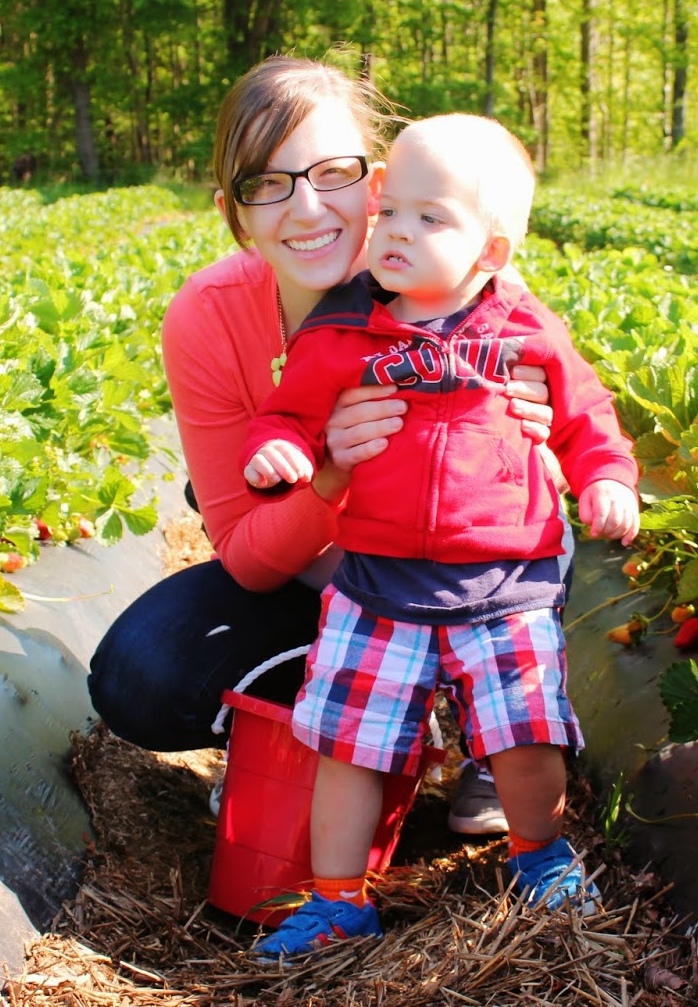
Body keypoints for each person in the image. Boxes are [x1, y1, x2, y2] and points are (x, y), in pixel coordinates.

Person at [85, 58, 557, 832]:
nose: (306, 208)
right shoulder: (209, 317)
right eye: (265, 184)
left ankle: (485, 723)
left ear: (376, 182)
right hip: (324, 583)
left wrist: (536, 428)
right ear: (234, 214)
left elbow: (557, 440)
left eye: (332, 172)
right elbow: (243, 554)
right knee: (143, 674)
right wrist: (330, 474)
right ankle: (341, 724)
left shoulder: (455, 280)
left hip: (466, 580)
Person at [241, 114, 641, 959]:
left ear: (491, 253)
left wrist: (606, 478)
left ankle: (539, 857)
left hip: (507, 582)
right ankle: (338, 898)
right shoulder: (343, 331)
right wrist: (279, 448)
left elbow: (589, 420)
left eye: (432, 219)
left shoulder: (527, 332)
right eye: (392, 214)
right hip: (377, 581)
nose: (396, 233)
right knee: (349, 746)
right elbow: (288, 414)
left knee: (525, 737)